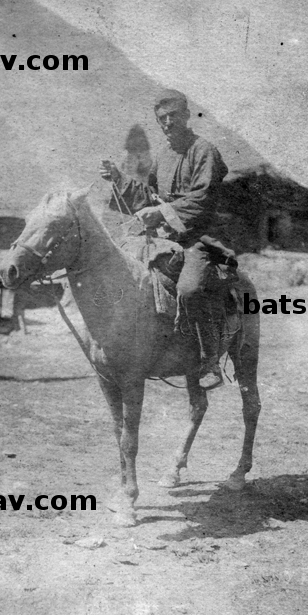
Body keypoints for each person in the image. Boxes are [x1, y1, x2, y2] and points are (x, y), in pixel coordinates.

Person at [100, 89, 235, 390]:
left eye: (174, 115)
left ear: (187, 115)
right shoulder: (163, 156)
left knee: (188, 290)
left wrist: (161, 213)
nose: (168, 122)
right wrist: (118, 179)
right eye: (162, 118)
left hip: (202, 238)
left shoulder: (204, 151)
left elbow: (202, 198)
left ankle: (209, 360)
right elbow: (149, 196)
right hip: (169, 238)